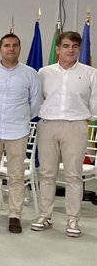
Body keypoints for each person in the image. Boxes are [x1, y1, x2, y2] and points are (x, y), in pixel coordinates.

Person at [32, 31, 97, 238]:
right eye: (66, 46)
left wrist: (86, 117)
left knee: (73, 175)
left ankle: (72, 219)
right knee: (47, 173)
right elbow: (37, 99)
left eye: (75, 46)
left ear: (79, 49)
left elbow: (94, 101)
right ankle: (45, 215)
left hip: (76, 126)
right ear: (58, 49)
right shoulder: (44, 72)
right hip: (48, 125)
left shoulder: (90, 73)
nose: (71, 50)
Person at [0, 33, 41, 234]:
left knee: (16, 176)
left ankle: (15, 215)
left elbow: (35, 104)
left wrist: (18, 117)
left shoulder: (30, 74)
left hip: (17, 131)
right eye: (6, 45)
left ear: (19, 49)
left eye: (14, 45)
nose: (10, 49)